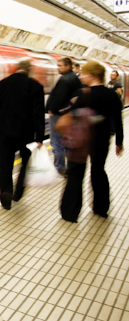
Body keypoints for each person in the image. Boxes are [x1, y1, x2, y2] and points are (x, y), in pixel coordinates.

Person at [60, 61, 124, 222]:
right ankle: (101, 208)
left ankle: (70, 213)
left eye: (84, 73)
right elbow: (118, 120)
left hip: (81, 141)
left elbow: (72, 117)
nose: (81, 76)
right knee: (98, 171)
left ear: (93, 76)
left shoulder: (83, 94)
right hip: (101, 139)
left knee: (75, 174)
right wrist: (119, 142)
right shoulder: (112, 95)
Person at [0, 59, 45, 210]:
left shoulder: (2, 84)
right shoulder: (35, 86)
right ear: (29, 70)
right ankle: (19, 191)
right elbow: (38, 113)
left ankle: (6, 195)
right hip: (26, 133)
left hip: (5, 133)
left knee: (5, 164)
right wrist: (40, 137)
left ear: (17, 68)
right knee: (26, 162)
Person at [46, 57, 82, 175]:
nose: (58, 68)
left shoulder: (65, 80)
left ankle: (59, 168)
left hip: (59, 115)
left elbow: (59, 98)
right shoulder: (73, 78)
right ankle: (68, 166)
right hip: (68, 115)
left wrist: (51, 109)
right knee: (66, 142)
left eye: (60, 65)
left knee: (57, 142)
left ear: (68, 66)